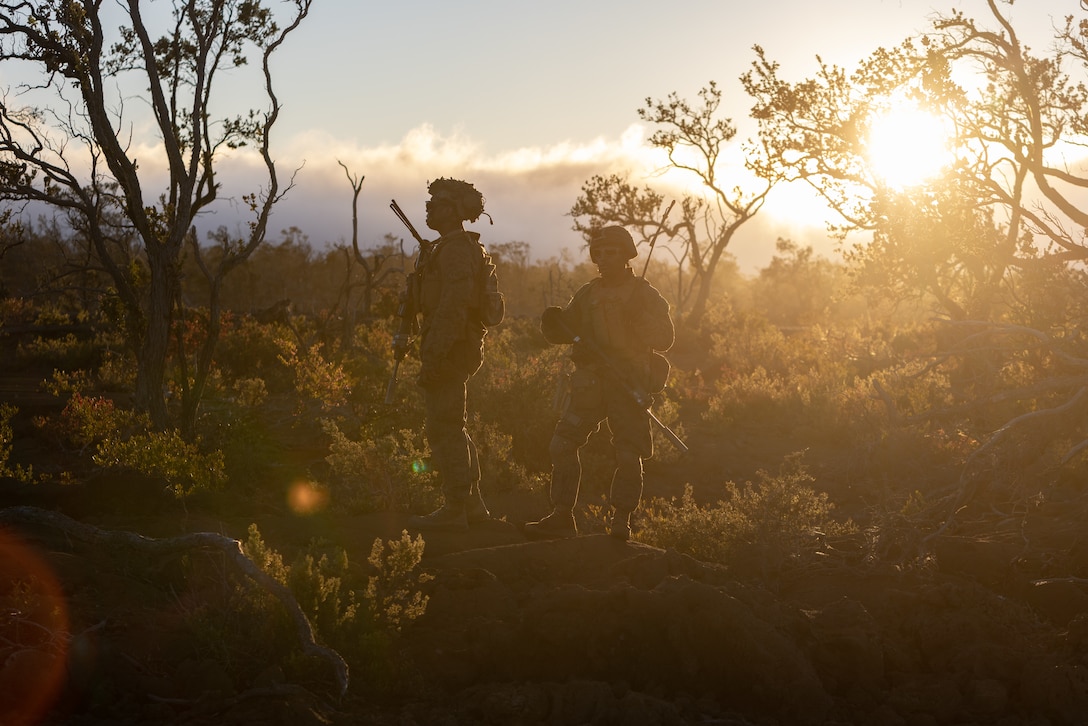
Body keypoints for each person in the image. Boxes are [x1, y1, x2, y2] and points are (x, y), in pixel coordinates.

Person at [525, 226, 675, 541]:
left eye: (611, 253)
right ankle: (562, 515)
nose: (603, 259)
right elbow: (567, 329)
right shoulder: (589, 292)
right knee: (562, 444)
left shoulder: (644, 294)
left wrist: (639, 320)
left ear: (626, 255)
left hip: (628, 384)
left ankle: (622, 521)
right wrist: (553, 324)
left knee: (627, 453)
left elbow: (666, 338)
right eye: (599, 254)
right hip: (590, 385)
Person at [409, 178, 493, 532]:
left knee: (444, 427)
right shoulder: (444, 248)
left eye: (439, 203)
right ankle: (472, 506)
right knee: (450, 425)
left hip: (451, 348)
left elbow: (454, 307)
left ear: (456, 211)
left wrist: (435, 354)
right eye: (429, 203)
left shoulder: (457, 250)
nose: (430, 208)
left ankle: (456, 505)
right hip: (449, 346)